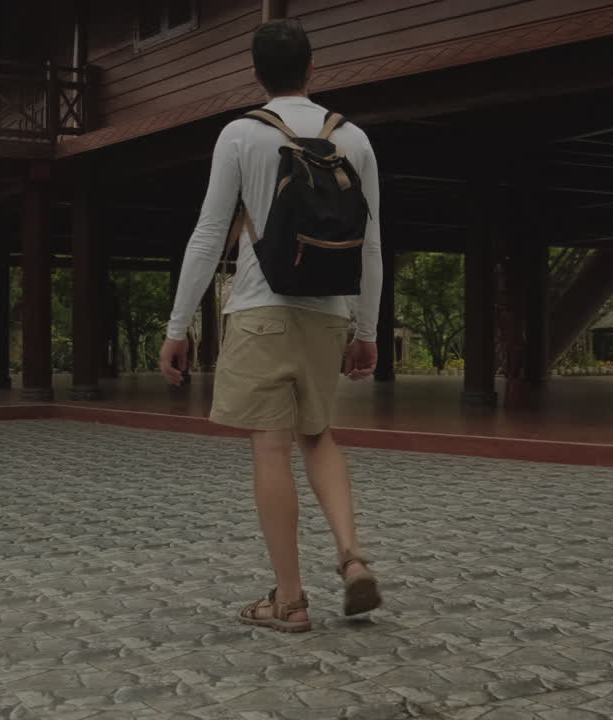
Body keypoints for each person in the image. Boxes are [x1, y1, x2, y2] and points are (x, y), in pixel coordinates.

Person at [159, 19, 383, 633]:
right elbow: (371, 245)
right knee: (319, 436)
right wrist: (366, 329)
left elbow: (209, 235)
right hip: (328, 314)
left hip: (260, 310)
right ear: (313, 70)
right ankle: (352, 554)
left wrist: (178, 325)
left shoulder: (240, 135)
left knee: (269, 447)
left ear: (256, 75)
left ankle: (289, 600)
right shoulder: (354, 139)